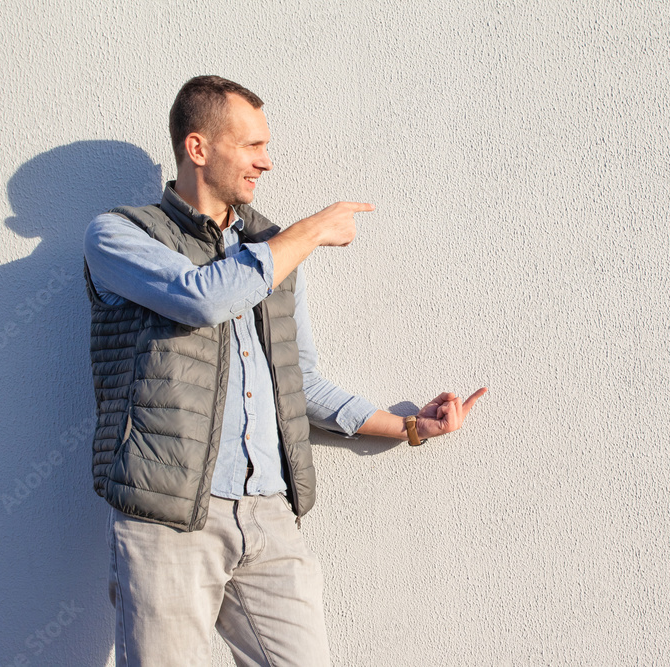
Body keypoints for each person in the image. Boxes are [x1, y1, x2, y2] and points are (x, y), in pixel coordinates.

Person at [83, 75, 486, 667]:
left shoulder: (271, 249)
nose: (266, 163)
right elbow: (202, 297)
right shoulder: (121, 234)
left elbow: (301, 383)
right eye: (251, 146)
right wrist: (311, 231)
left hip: (269, 514)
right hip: (169, 521)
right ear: (198, 149)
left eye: (265, 147)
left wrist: (408, 426)